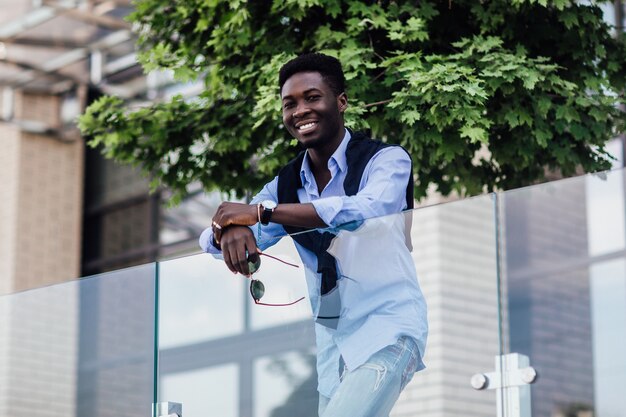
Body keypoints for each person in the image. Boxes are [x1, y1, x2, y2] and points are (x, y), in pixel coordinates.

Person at [199, 52, 427, 417]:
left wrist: (261, 213)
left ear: (341, 103)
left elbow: (366, 209)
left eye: (312, 98)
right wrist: (229, 229)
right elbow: (207, 243)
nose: (300, 110)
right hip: (331, 349)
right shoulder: (286, 184)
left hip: (388, 329)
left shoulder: (386, 160)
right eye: (290, 104)